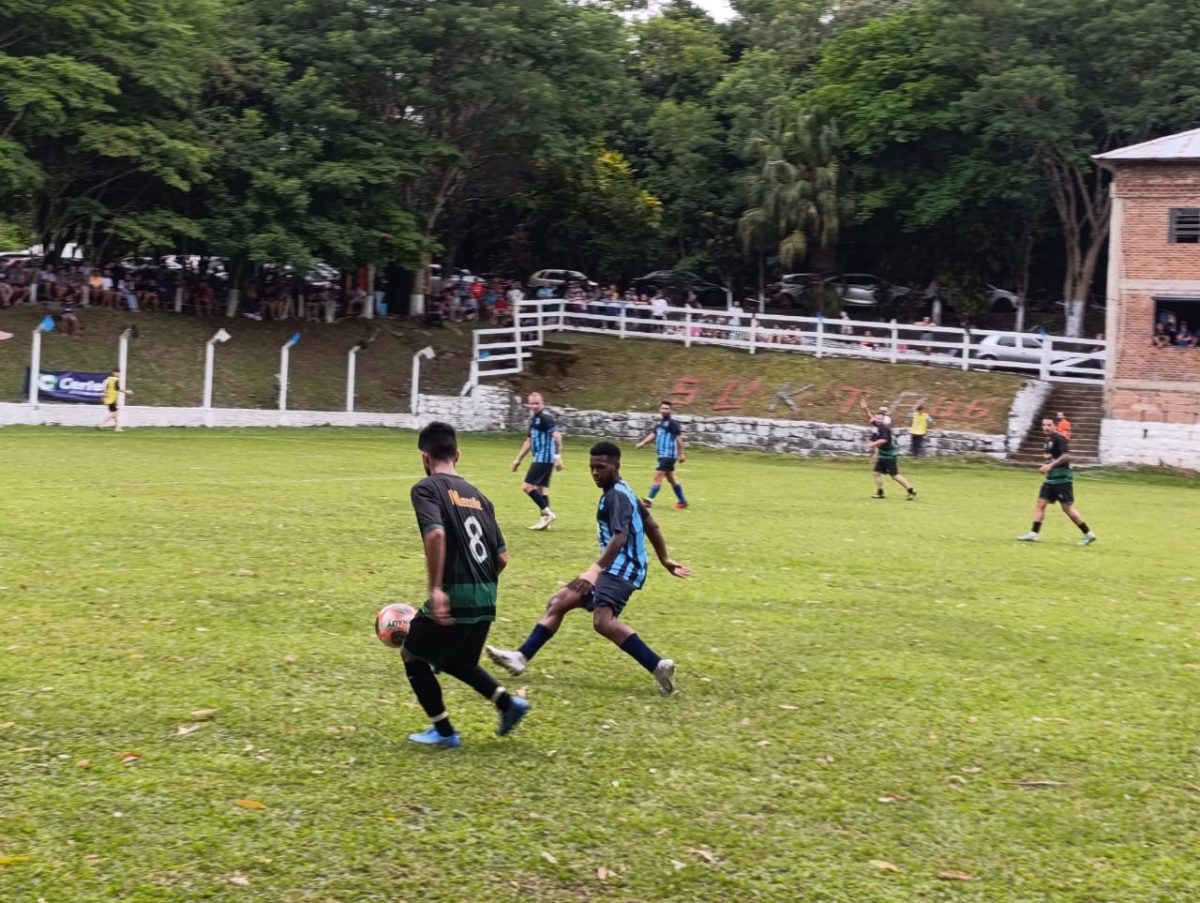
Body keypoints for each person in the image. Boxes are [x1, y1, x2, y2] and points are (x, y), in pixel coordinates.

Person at [486, 440, 690, 695]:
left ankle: (658, 665)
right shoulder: (625, 490)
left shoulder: (617, 496)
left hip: (620, 568)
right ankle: (521, 657)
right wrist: (664, 559)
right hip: (615, 567)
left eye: (601, 467)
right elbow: (653, 525)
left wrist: (594, 571)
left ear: (616, 466)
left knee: (603, 622)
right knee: (559, 602)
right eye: (592, 467)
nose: (595, 472)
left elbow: (620, 537)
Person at [401, 421, 531, 747]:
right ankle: (508, 704)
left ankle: (444, 733)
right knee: (457, 660)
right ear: (457, 455)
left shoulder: (427, 488)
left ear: (424, 458)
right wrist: (479, 588)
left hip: (454, 592)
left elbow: (435, 533)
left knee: (412, 654)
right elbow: (502, 559)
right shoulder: (481, 498)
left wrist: (437, 589)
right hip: (486, 596)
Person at [1017, 418, 1096, 545]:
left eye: (1049, 425)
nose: (1046, 427)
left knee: (1067, 508)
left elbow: (1066, 456)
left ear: (1055, 426)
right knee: (1040, 504)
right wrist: (1046, 465)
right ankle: (1033, 533)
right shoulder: (1048, 440)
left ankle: (1088, 533)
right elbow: (1052, 458)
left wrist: (1050, 466)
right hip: (1051, 479)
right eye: (1044, 425)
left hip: (1062, 479)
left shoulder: (1060, 438)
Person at [510, 391, 562, 530]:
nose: (534, 406)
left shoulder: (546, 418)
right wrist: (518, 459)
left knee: (527, 487)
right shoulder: (533, 420)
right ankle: (545, 521)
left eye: (536, 403)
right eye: (531, 403)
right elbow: (529, 441)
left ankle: (548, 514)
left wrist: (558, 457)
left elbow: (557, 436)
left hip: (544, 459)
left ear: (542, 404)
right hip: (541, 458)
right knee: (542, 490)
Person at [635, 401, 688, 509]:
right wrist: (643, 443)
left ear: (670, 410)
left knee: (658, 476)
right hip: (662, 455)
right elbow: (653, 434)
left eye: (667, 408)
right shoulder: (660, 424)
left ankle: (648, 501)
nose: (664, 410)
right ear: (660, 410)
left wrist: (681, 453)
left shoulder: (672, 424)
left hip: (668, 455)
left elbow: (679, 439)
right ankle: (682, 501)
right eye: (663, 408)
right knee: (672, 479)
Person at [867, 412, 915, 500]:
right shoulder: (878, 426)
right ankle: (880, 493)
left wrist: (872, 444)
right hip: (883, 455)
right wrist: (865, 409)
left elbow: (883, 440)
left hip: (889, 455)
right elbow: (871, 419)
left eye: (880, 419)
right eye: (877, 418)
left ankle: (911, 490)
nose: (877, 420)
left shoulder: (884, 428)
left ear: (883, 420)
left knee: (894, 475)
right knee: (876, 473)